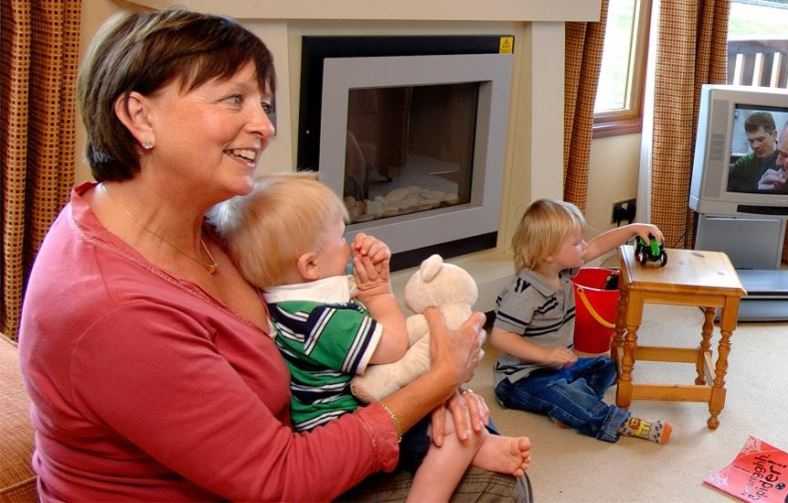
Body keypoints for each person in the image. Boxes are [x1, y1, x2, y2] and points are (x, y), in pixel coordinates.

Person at [17, 8, 519, 500]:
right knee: (490, 484)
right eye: (234, 99)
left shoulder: (204, 219)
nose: (265, 126)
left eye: (265, 104)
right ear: (138, 115)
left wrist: (436, 390)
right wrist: (438, 379)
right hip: (271, 478)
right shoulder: (115, 310)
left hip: (293, 435)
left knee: (470, 423)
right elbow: (281, 482)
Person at [211, 174, 532, 500]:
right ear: (309, 265)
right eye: (339, 237)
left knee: (465, 417)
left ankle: (480, 448)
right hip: (347, 425)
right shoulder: (322, 322)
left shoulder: (290, 302)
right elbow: (393, 346)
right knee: (453, 434)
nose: (349, 245)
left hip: (349, 406)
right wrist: (378, 293)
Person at [490, 199, 675, 444]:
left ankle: (569, 408)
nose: (584, 246)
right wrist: (545, 355)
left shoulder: (562, 270)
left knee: (609, 366)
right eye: (577, 243)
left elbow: (599, 245)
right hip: (519, 381)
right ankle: (616, 421)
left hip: (557, 368)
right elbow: (501, 337)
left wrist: (634, 228)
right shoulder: (524, 293)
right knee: (561, 392)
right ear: (549, 254)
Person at [727, 111, 781, 192]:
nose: (755, 146)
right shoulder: (742, 166)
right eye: (751, 141)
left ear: (774, 135)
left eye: (760, 139)